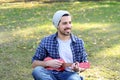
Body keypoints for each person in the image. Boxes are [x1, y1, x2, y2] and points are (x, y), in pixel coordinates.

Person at [32, 10, 88, 80]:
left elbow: (85, 64)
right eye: (64, 23)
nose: (68, 26)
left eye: (70, 23)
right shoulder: (46, 41)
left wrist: (78, 68)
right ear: (57, 25)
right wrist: (47, 63)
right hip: (50, 74)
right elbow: (34, 63)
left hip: (69, 75)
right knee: (37, 71)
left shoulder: (78, 42)